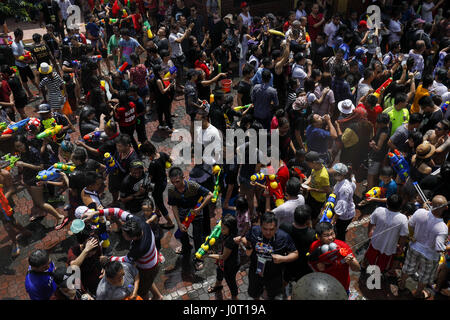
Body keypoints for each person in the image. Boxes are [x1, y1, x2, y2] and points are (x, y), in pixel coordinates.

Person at [79, 206, 162, 300]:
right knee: (147, 282)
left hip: (147, 267)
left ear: (133, 238)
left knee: (142, 290)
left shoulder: (139, 248)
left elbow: (125, 259)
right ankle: (158, 296)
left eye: (124, 235)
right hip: (152, 256)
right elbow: (117, 211)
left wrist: (108, 259)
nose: (122, 235)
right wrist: (95, 213)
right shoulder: (138, 222)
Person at [235, 212, 298, 300]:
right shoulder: (254, 231)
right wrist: (244, 243)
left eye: (272, 229)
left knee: (273, 295)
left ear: (276, 227)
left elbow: (295, 253)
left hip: (274, 274)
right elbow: (247, 239)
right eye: (265, 229)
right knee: (254, 293)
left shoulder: (284, 237)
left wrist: (283, 258)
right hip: (256, 271)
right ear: (260, 226)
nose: (268, 232)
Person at [398, 195, 448, 299]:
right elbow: (439, 248)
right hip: (430, 255)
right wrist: (446, 246)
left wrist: (411, 236)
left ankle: (401, 284)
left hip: (414, 247)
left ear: (430, 204)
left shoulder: (420, 212)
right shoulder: (442, 227)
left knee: (408, 267)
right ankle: (418, 293)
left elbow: (410, 225)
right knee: (424, 276)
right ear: (446, 208)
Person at [167, 166, 213, 271]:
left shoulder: (193, 186)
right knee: (182, 233)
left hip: (196, 214)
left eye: (177, 181)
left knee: (198, 237)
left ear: (183, 177)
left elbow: (210, 195)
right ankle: (186, 247)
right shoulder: (171, 189)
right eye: (173, 182)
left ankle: (199, 258)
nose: (176, 185)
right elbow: (174, 206)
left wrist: (200, 208)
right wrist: (178, 223)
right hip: (183, 214)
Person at [362, 194, 409, 275]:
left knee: (369, 255)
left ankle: (364, 266)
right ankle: (376, 275)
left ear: (387, 203)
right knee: (382, 262)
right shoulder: (403, 219)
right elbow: (403, 236)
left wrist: (370, 232)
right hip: (389, 246)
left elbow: (371, 223)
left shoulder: (379, 210)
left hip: (375, 241)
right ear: (400, 206)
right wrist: (401, 246)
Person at [309, 222, 360, 294]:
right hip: (324, 284)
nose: (330, 238)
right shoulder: (314, 246)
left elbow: (357, 268)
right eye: (326, 235)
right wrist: (318, 265)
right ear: (319, 237)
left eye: (332, 233)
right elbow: (312, 263)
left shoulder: (343, 246)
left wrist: (351, 261)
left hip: (341, 285)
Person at [279, 204, 315, 291]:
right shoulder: (312, 234)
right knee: (301, 283)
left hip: (288, 260)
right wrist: (310, 227)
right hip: (303, 264)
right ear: (308, 220)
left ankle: (281, 291)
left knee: (285, 278)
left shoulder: (284, 227)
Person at [205, 214, 240, 300]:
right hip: (224, 262)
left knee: (230, 281)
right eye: (221, 226)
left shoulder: (230, 241)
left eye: (224, 228)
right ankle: (218, 285)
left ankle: (234, 297)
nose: (221, 229)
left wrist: (208, 255)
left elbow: (223, 257)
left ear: (230, 228)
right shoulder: (228, 233)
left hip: (230, 264)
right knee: (219, 271)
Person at [11, 28, 40, 101]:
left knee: (32, 78)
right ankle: (29, 94)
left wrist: (27, 52)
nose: (22, 36)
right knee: (24, 81)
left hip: (25, 64)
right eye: (22, 35)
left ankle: (40, 90)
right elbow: (17, 58)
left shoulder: (20, 42)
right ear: (18, 36)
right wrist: (26, 62)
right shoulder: (14, 46)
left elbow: (23, 49)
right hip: (20, 66)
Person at [303, 151, 332, 225]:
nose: (308, 165)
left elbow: (327, 190)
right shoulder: (316, 167)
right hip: (311, 195)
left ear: (314, 162)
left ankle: (313, 227)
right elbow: (311, 175)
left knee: (314, 217)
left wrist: (311, 189)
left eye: (308, 163)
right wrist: (307, 182)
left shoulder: (323, 176)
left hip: (318, 200)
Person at [330, 163, 355, 241]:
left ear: (341, 175)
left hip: (344, 215)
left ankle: (340, 246)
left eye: (334, 174)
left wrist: (333, 221)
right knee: (341, 230)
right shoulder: (348, 180)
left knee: (339, 233)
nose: (333, 175)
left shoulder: (344, 189)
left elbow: (341, 209)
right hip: (347, 210)